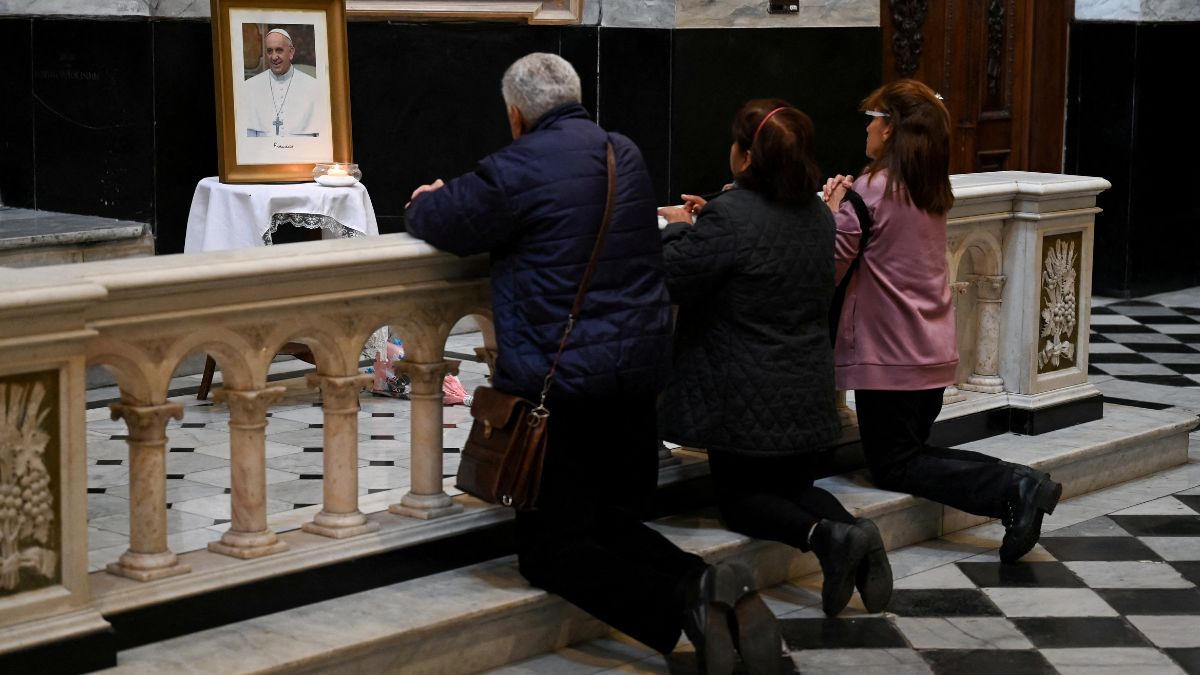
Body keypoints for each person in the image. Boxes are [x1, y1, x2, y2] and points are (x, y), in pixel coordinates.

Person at [404, 53, 782, 675]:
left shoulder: (515, 167)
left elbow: (445, 219)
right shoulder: (622, 153)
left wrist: (425, 198)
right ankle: (713, 584)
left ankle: (686, 597)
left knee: (549, 552)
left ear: (516, 115)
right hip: (635, 378)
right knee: (605, 521)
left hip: (562, 388)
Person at [657, 99, 893, 618]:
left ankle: (828, 539)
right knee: (793, 485)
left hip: (742, 391)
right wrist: (712, 216)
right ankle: (855, 532)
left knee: (741, 500)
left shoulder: (730, 217)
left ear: (745, 156)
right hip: (804, 384)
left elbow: (676, 273)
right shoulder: (816, 215)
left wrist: (679, 225)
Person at [822, 79, 1062, 564]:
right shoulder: (931, 187)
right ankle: (1021, 485)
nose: (866, 127)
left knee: (895, 465)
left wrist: (830, 210)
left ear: (889, 130)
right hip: (932, 352)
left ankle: (1014, 486)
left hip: (890, 357)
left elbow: (828, 265)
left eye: (873, 117)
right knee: (912, 452)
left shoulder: (870, 191)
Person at [238, 28, 321, 137]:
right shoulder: (250, 87)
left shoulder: (313, 87)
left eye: (279, 50)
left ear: (291, 52)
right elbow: (247, 137)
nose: (274, 57)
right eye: (269, 51)